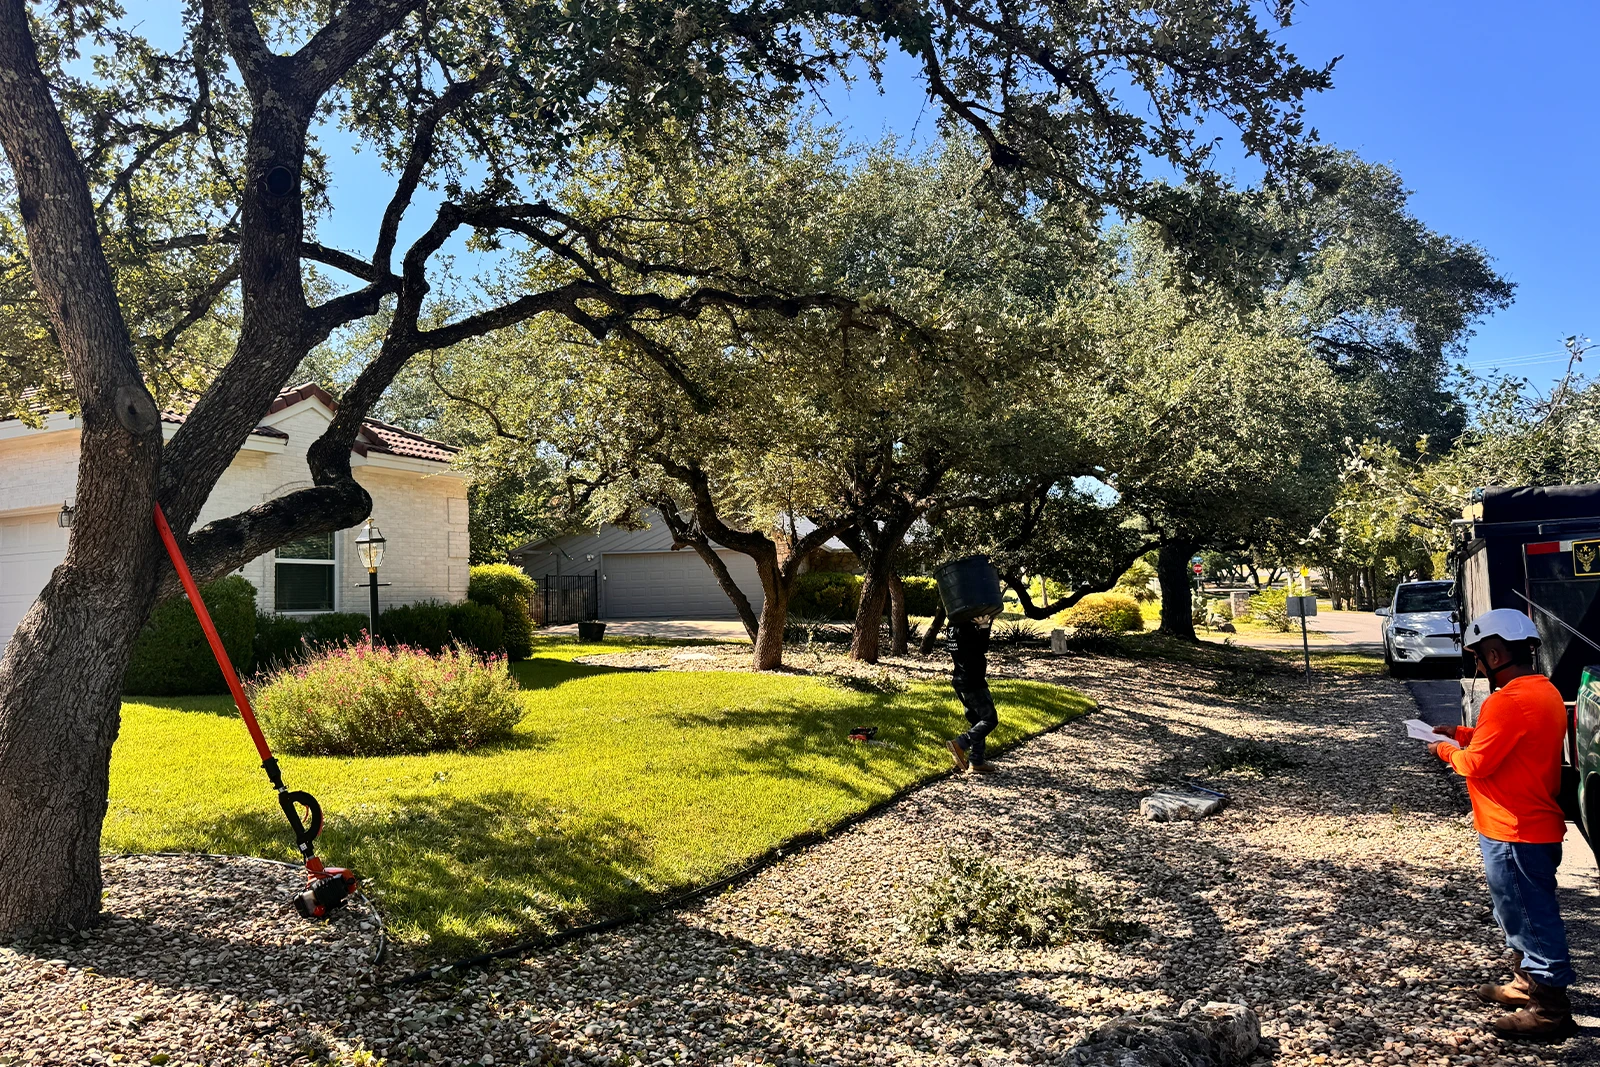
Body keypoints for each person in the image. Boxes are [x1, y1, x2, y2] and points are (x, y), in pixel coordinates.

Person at [1430, 608, 1576, 1041]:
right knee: (1513, 911)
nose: (1476, 665)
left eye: (1477, 657)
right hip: (1527, 825)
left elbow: (1476, 764)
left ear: (1494, 655)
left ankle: (1550, 1010)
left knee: (1531, 917)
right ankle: (1525, 983)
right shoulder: (1543, 691)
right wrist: (1460, 731)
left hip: (1514, 831)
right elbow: (1507, 739)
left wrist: (1443, 749)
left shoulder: (1506, 700)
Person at [946, 614, 998, 775]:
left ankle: (977, 761)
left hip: (960, 679)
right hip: (973, 681)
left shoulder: (951, 627)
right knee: (989, 719)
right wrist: (983, 628)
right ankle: (960, 744)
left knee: (977, 720)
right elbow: (981, 648)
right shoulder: (966, 629)